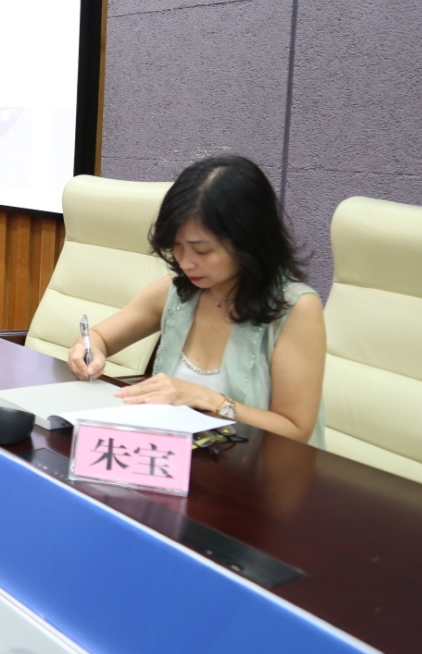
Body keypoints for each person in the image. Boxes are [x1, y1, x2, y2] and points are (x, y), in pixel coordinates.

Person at [69, 155, 326, 446]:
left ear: (248, 241)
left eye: (202, 251)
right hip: (177, 455)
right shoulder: (177, 290)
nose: (186, 262)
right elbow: (99, 337)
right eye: (176, 246)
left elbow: (296, 429)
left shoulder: (295, 308)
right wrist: (87, 350)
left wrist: (210, 400)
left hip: (257, 467)